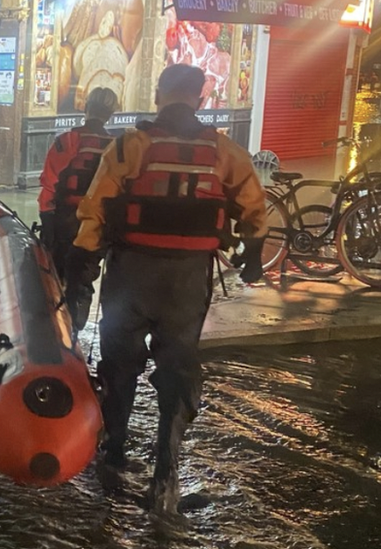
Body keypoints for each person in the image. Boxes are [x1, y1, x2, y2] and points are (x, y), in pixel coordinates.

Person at [64, 64, 267, 514]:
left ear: (158, 94)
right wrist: (253, 252)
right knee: (177, 369)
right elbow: (254, 204)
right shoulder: (224, 151)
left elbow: (96, 206)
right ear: (200, 96)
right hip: (189, 280)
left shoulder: (131, 145)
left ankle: (113, 451)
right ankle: (166, 472)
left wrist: (84, 258)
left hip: (131, 274)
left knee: (119, 364)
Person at [37, 87, 118, 288]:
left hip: (66, 220)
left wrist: (47, 220)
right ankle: (77, 316)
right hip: (98, 225)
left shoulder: (69, 140)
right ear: (110, 114)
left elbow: (49, 182)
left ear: (86, 108)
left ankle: (57, 316)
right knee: (83, 279)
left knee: (55, 279)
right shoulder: (117, 147)